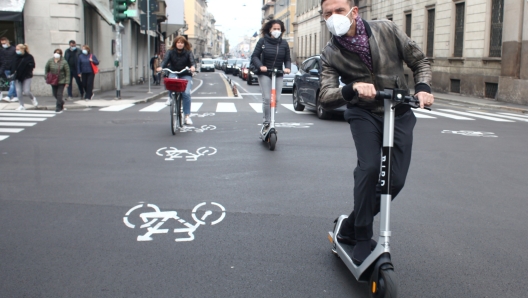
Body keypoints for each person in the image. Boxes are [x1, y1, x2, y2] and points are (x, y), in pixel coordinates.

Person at [319, 0, 434, 265]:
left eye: (338, 10)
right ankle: (360, 235)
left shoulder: (387, 29)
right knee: (369, 169)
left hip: (399, 110)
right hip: (364, 113)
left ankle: (350, 225)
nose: (333, 17)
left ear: (353, 11)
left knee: (395, 181)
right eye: (328, 14)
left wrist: (423, 87)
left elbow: (419, 61)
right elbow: (325, 96)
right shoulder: (330, 53)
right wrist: (352, 89)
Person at [250, 20, 291, 132]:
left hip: (277, 73)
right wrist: (260, 66)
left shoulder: (284, 43)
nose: (277, 31)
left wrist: (287, 68)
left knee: (276, 99)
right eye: (274, 29)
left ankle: (272, 121)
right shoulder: (262, 42)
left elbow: (287, 59)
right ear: (269, 30)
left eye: (279, 29)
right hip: (265, 73)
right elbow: (255, 56)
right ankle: (267, 123)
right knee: (267, 98)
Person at [157, 36, 196, 125]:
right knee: (171, 81)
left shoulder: (188, 52)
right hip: (173, 71)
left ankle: (187, 116)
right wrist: (161, 67)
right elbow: (165, 61)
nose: (180, 44)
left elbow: (192, 62)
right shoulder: (170, 51)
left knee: (186, 93)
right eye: (178, 42)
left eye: (182, 43)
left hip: (185, 73)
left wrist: (193, 67)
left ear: (184, 44)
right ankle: (170, 97)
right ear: (175, 43)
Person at [11, 44, 37, 110]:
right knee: (18, 91)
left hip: (26, 75)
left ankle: (33, 98)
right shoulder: (15, 56)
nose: (16, 51)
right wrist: (12, 71)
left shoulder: (29, 57)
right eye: (16, 49)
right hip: (17, 76)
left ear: (22, 49)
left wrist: (27, 67)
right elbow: (12, 65)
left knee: (26, 91)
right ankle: (21, 105)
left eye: (18, 49)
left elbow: (32, 65)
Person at [0, 37, 18, 102]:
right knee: (12, 83)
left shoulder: (13, 49)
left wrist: (15, 68)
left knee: (12, 83)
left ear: (8, 42)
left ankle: (9, 96)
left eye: (4, 43)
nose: (3, 44)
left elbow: (16, 60)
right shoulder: (2, 50)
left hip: (13, 69)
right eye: (2, 43)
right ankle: (15, 96)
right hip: (6, 69)